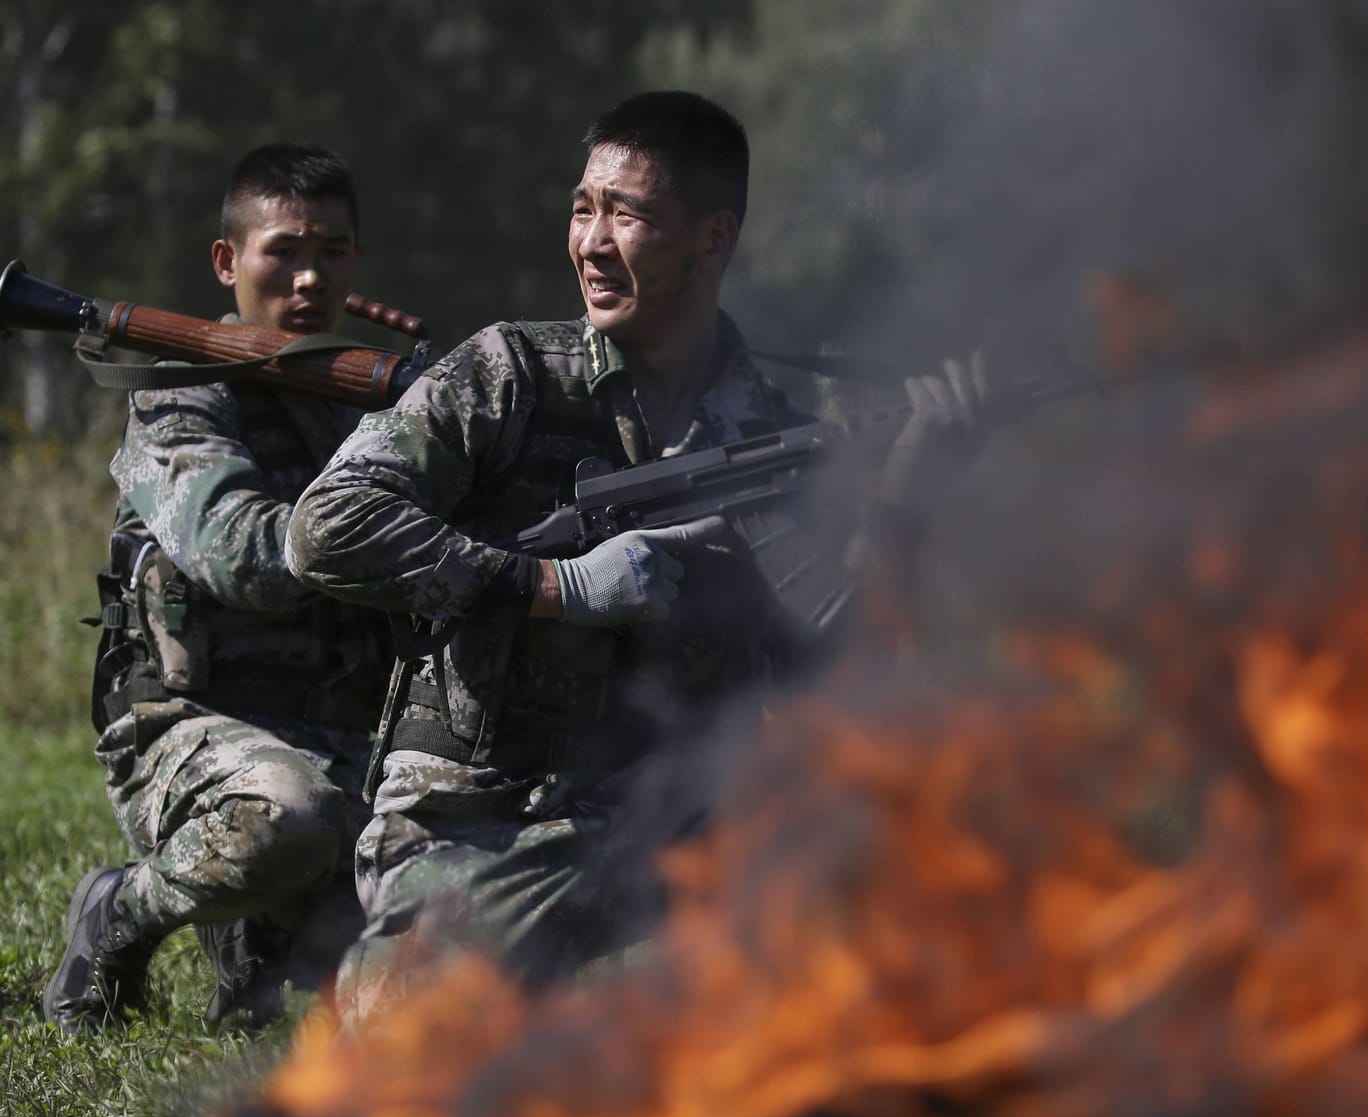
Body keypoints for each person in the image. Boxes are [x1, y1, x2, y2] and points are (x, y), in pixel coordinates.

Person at [285, 90, 979, 1021]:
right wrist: (553, 586)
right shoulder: (508, 376)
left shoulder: (772, 434)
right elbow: (323, 526)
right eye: (583, 207)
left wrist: (906, 493)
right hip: (488, 825)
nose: (592, 242)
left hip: (681, 828)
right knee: (426, 1044)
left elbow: (846, 674)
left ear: (713, 239)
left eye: (629, 213)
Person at [42, 143, 389, 1034]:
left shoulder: (370, 405)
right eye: (285, 251)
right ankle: (120, 911)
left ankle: (262, 940)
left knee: (452, 915)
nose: (311, 277)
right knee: (287, 821)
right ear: (227, 262)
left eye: (334, 252)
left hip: (346, 739)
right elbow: (240, 555)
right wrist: (398, 533)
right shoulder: (179, 397)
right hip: (187, 730)